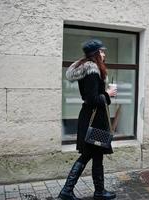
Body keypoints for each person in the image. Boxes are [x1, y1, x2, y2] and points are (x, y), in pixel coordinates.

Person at [58, 39, 117, 200]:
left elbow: (93, 95)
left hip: (95, 118)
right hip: (93, 119)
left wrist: (104, 94)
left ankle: (99, 192)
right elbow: (91, 98)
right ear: (96, 53)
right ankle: (66, 191)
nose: (104, 54)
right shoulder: (91, 70)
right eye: (102, 51)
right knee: (87, 155)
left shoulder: (93, 69)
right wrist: (108, 94)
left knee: (97, 155)